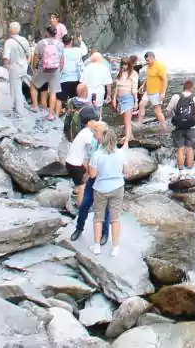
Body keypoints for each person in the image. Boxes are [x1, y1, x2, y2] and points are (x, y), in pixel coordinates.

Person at [88, 126, 131, 256]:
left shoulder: (96, 155)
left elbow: (92, 175)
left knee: (98, 218)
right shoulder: (121, 153)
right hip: (117, 188)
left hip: (101, 188)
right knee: (115, 218)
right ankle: (115, 248)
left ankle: (96, 247)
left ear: (103, 140)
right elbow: (126, 171)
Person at [64, 105, 102, 214]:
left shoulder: (84, 131)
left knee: (81, 179)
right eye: (95, 120)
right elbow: (95, 146)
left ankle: (76, 194)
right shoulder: (87, 135)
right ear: (89, 122)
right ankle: (80, 206)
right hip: (75, 164)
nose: (96, 122)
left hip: (72, 162)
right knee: (82, 185)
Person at [165, 79, 195, 170]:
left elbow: (167, 112)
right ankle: (190, 168)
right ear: (191, 88)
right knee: (189, 148)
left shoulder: (176, 97)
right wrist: (194, 116)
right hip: (191, 127)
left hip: (178, 126)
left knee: (180, 148)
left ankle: (180, 169)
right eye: (193, 87)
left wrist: (174, 116)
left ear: (183, 87)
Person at [31, 25, 64, 120]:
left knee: (33, 85)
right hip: (55, 71)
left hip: (43, 70)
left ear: (47, 33)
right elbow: (62, 61)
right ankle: (50, 115)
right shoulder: (60, 44)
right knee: (53, 92)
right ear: (55, 33)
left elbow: (36, 57)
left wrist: (34, 69)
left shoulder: (41, 43)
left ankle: (35, 106)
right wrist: (59, 71)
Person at [0, 22, 31, 116]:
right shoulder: (24, 40)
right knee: (17, 87)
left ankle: (19, 110)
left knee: (16, 88)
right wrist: (26, 64)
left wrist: (6, 66)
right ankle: (15, 106)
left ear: (10, 30)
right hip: (23, 66)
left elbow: (6, 57)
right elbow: (28, 54)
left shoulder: (9, 42)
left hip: (14, 67)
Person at [137, 51, 168, 133]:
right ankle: (139, 124)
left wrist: (163, 93)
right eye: (146, 60)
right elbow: (148, 77)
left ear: (153, 58)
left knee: (157, 111)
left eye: (148, 60)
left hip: (157, 92)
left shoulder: (159, 66)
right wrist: (143, 85)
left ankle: (164, 127)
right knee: (141, 104)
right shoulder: (148, 66)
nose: (147, 62)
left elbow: (165, 80)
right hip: (148, 91)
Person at [113, 56, 139, 147]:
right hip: (120, 100)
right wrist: (114, 99)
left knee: (127, 122)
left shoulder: (133, 74)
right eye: (123, 65)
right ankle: (129, 136)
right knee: (125, 120)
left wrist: (136, 101)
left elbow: (134, 89)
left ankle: (126, 143)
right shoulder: (119, 73)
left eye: (126, 65)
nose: (124, 67)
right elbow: (117, 88)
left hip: (128, 99)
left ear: (129, 65)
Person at [59, 33, 87, 105]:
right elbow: (85, 51)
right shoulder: (77, 50)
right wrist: (81, 41)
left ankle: (59, 114)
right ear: (71, 41)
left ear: (63, 42)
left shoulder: (60, 52)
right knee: (74, 100)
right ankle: (72, 113)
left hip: (63, 79)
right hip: (76, 79)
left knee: (60, 100)